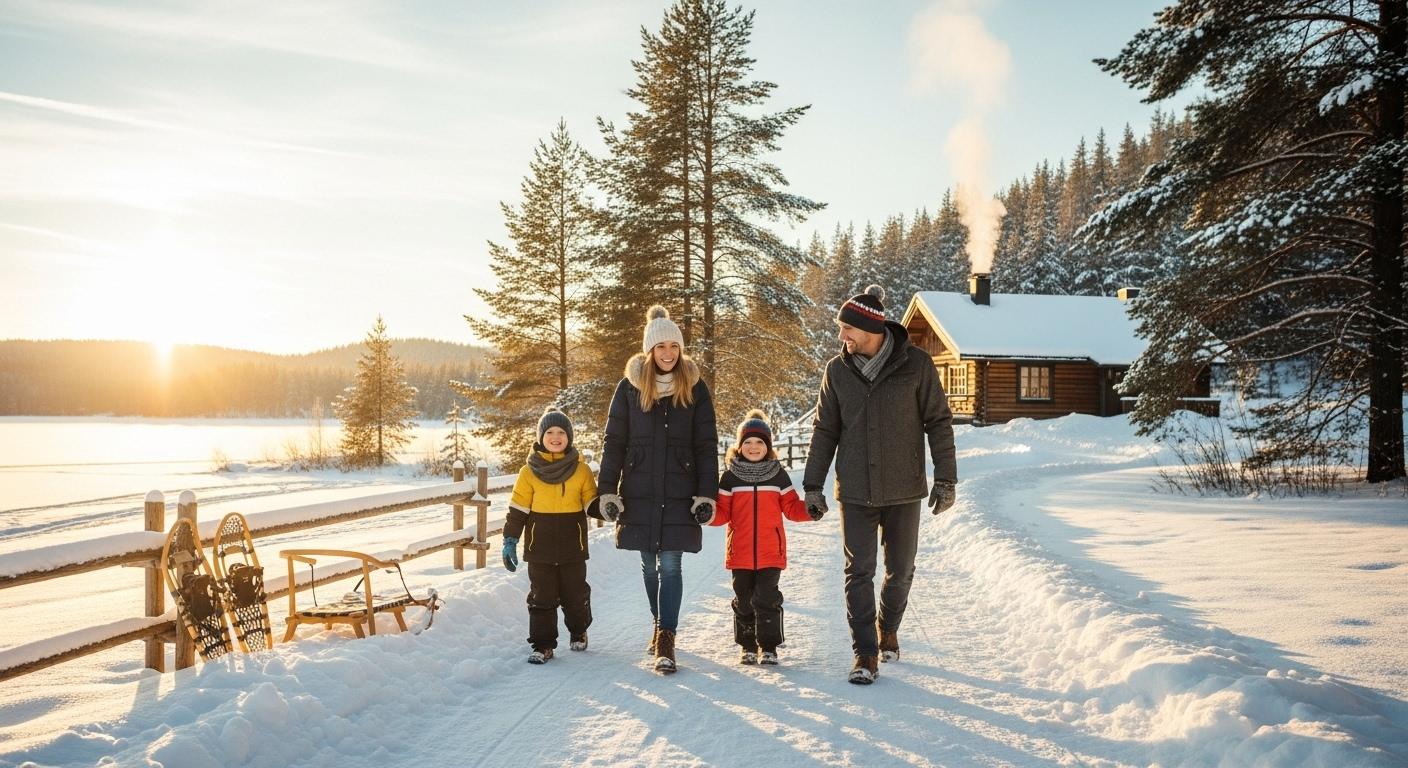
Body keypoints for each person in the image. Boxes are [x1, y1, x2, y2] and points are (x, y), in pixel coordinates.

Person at [803, 284, 957, 685]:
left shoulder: (917, 365)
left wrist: (946, 478)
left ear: (869, 330)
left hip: (904, 487)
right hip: (855, 488)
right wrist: (813, 485)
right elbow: (824, 430)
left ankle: (888, 627)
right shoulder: (837, 371)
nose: (841, 338)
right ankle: (865, 654)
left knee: (901, 571)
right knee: (859, 571)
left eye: (846, 330)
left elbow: (938, 422)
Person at [597, 305, 719, 674]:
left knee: (671, 564)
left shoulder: (695, 389)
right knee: (649, 566)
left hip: (681, 492)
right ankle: (658, 621)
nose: (668, 353)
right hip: (639, 489)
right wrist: (607, 490)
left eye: (674, 346)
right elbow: (614, 441)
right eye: (661, 347)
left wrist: (706, 493)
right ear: (649, 351)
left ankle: (667, 636)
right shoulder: (629, 389)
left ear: (681, 350)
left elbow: (705, 445)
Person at [712, 409, 813, 666]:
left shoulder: (778, 475)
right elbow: (722, 513)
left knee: (766, 598)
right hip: (740, 553)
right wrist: (706, 513)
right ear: (739, 446)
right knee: (744, 599)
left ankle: (768, 647)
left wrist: (810, 510)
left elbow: (791, 508)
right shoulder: (730, 477)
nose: (754, 447)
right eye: (748, 442)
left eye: (759, 442)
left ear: (767, 446)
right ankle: (747, 645)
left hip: (771, 551)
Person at [501, 406, 598, 664]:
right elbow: (518, 510)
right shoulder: (528, 472)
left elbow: (592, 504)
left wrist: (608, 507)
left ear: (570, 437)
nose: (556, 437)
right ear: (541, 436)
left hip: (572, 547)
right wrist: (510, 539)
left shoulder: (581, 470)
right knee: (541, 596)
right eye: (550, 432)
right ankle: (543, 645)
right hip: (539, 547)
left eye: (562, 432)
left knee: (574, 595)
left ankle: (578, 630)